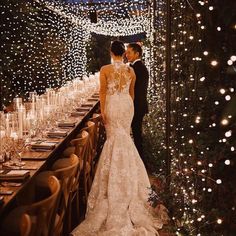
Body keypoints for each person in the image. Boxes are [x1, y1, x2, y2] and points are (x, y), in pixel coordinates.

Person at [71, 41, 166, 236]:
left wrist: (104, 111)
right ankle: (130, 180)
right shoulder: (130, 71)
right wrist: (127, 110)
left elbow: (103, 92)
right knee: (125, 140)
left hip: (114, 105)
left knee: (114, 141)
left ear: (110, 52)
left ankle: (114, 181)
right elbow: (131, 93)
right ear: (123, 53)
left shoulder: (105, 69)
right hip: (126, 106)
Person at [126, 43, 149, 166]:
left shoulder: (138, 68)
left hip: (137, 106)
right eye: (126, 52)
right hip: (137, 105)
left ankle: (140, 162)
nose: (127, 54)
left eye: (129, 52)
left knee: (136, 133)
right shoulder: (135, 67)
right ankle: (138, 160)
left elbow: (135, 89)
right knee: (135, 133)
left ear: (137, 54)